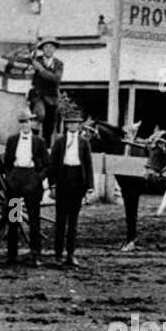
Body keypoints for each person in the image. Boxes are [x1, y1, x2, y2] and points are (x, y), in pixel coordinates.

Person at [49, 104, 95, 268]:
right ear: (66, 125)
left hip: (77, 182)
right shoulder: (59, 142)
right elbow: (52, 165)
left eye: (76, 123)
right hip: (62, 181)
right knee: (60, 221)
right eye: (70, 123)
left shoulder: (84, 143)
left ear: (79, 125)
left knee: (73, 222)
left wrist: (89, 187)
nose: (73, 126)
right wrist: (52, 185)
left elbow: (88, 165)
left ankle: (70, 254)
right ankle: (57, 255)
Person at [2, 110, 49, 267]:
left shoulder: (39, 141)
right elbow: (7, 162)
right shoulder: (12, 140)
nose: (24, 125)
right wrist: (10, 178)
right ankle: (12, 254)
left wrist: (38, 178)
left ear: (32, 123)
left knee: (34, 219)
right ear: (19, 124)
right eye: (22, 122)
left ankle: (35, 254)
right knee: (14, 218)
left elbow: (47, 165)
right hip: (16, 181)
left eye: (27, 121)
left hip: (32, 180)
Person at [28, 38, 64, 139]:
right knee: (40, 115)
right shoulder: (36, 61)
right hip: (38, 96)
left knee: (49, 124)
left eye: (51, 47)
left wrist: (41, 69)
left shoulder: (58, 64)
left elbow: (56, 79)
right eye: (46, 47)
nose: (49, 49)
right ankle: (34, 139)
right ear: (42, 49)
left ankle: (46, 147)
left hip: (52, 97)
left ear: (55, 49)